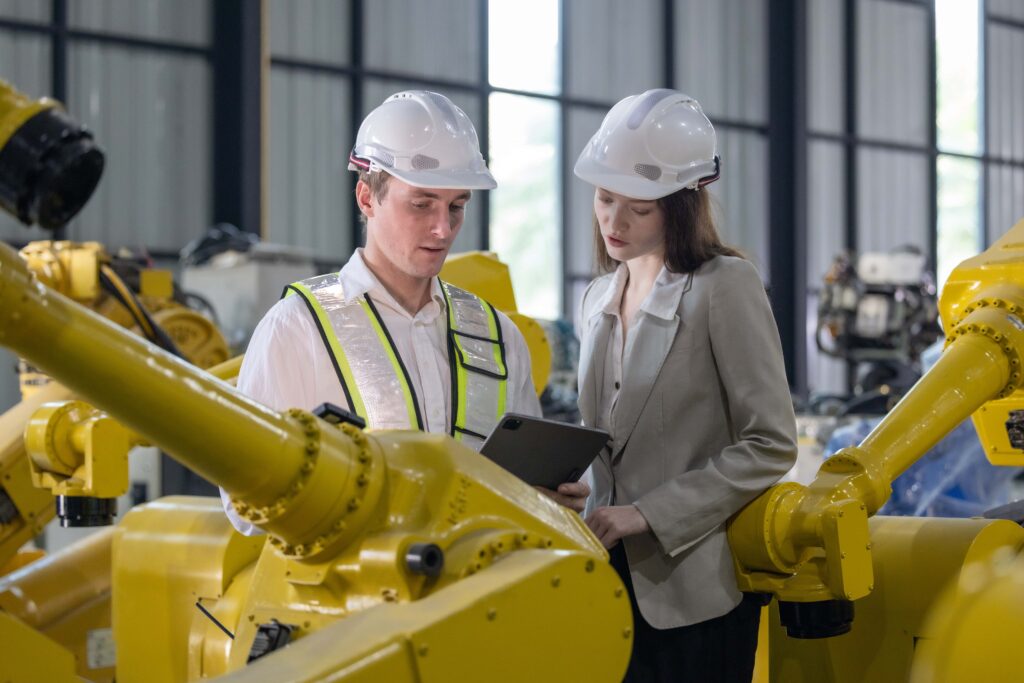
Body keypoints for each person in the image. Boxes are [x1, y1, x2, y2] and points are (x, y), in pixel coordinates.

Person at [222, 91, 587, 534]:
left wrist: (546, 501)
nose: (443, 228)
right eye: (421, 204)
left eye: (457, 207)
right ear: (366, 198)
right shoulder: (297, 330)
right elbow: (248, 506)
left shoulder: (500, 337)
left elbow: (526, 488)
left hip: (485, 594)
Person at [573, 89, 798, 682]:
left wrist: (647, 514)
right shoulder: (596, 298)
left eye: (637, 208)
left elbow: (770, 443)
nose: (614, 222)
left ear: (679, 205)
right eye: (604, 199)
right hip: (604, 585)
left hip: (694, 595)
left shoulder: (724, 287)